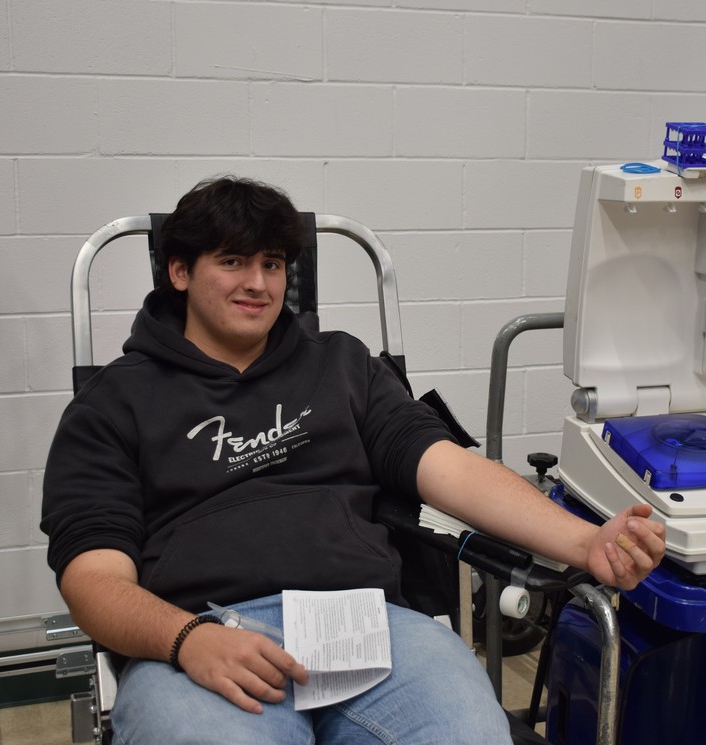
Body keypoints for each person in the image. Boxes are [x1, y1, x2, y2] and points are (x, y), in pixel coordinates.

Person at [41, 176, 666, 745]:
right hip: (204, 634)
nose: (257, 284)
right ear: (178, 271)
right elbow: (93, 579)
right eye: (231, 261)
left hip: (367, 627)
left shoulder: (340, 364)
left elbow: (449, 469)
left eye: (272, 264)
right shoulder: (113, 404)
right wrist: (185, 639)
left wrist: (587, 543)